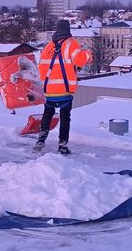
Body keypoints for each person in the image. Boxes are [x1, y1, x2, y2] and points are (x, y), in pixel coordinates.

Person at [34, 19, 92, 154]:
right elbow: (81, 60)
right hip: (64, 90)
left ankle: (41, 139)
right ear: (68, 30)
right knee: (65, 116)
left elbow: (41, 67)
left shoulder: (48, 46)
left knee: (47, 113)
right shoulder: (71, 44)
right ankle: (62, 145)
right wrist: (89, 54)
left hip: (48, 90)